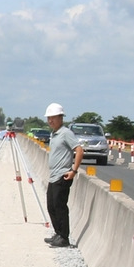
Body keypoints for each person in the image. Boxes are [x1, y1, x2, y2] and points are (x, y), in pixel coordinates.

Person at [45, 102, 84, 248]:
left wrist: (73, 170)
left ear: (60, 118)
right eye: (48, 118)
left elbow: (79, 150)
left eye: (53, 118)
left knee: (60, 206)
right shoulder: (54, 134)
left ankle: (64, 237)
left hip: (63, 175)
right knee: (51, 205)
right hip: (53, 176)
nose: (50, 121)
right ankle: (58, 233)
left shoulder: (66, 133)